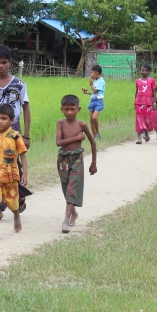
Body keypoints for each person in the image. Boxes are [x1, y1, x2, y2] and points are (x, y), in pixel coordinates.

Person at [0, 45, 31, 222]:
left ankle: (19, 195)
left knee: (12, 166)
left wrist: (26, 134)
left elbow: (25, 109)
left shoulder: (19, 85)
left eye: (4, 62)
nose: (1, 66)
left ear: (10, 63)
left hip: (13, 127)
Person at [56, 95, 97, 233]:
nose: (69, 112)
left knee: (72, 187)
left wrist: (93, 163)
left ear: (78, 109)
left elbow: (93, 142)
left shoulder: (82, 124)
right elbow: (58, 143)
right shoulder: (60, 123)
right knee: (65, 187)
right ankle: (73, 213)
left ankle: (65, 221)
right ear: (61, 109)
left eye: (72, 109)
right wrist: (77, 138)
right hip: (63, 159)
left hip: (77, 159)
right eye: (66, 109)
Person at [0, 104, 28, 241]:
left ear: (12, 120)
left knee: (12, 202)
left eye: (3, 118)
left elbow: (22, 155)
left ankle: (16, 215)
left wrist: (25, 174)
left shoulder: (15, 136)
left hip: (11, 176)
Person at [134, 63, 157, 144]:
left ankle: (147, 133)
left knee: (147, 120)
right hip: (139, 103)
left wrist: (154, 103)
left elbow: (154, 93)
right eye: (142, 70)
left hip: (148, 104)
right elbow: (136, 92)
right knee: (139, 120)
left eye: (146, 70)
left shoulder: (152, 80)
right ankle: (139, 138)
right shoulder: (137, 81)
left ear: (148, 71)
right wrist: (135, 102)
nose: (144, 72)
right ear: (140, 71)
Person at [81, 65, 105, 140]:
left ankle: (97, 132)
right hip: (92, 101)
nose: (91, 74)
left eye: (92, 73)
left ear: (96, 73)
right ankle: (94, 136)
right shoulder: (96, 81)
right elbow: (94, 93)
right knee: (91, 119)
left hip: (98, 102)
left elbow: (95, 91)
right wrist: (87, 92)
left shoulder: (102, 81)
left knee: (94, 118)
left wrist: (91, 83)